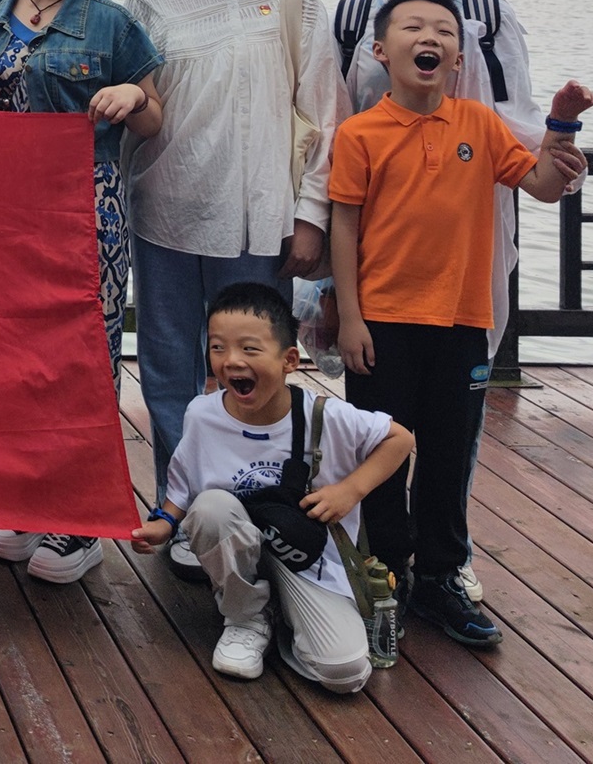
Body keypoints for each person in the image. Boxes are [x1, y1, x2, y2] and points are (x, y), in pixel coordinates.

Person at [329, 0, 593, 647]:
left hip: (462, 322)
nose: (429, 37)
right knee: (380, 451)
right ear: (379, 50)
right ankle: (385, 572)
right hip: (382, 322)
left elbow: (542, 184)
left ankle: (439, 576)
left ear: (457, 58)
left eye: (444, 31)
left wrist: (561, 124)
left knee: (448, 454)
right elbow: (344, 226)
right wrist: (350, 318)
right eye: (412, 27)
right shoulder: (359, 133)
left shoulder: (480, 123)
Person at [330, 0, 550, 607]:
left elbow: (522, 123)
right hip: (382, 266)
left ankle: (444, 565)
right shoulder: (351, 17)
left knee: (454, 426)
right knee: (378, 429)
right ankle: (384, 563)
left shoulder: (485, 13)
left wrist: (558, 140)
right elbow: (331, 135)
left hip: (468, 237)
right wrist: (341, 299)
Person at [124, 0, 340, 579]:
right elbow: (134, 103)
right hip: (163, 214)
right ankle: (180, 511)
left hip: (256, 220)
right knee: (167, 369)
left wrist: (310, 216)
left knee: (250, 371)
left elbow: (324, 116)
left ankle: (248, 510)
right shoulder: (149, 0)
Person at [0, 0, 164, 585]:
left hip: (83, 210)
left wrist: (131, 95)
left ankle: (78, 520)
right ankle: (24, 500)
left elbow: (152, 117)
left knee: (81, 359)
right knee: (10, 358)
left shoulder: (111, 23)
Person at [131, 283, 413, 692]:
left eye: (249, 349)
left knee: (345, 672)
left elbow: (400, 439)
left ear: (289, 361)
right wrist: (164, 523)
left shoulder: (326, 416)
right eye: (218, 348)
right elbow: (184, 483)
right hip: (238, 545)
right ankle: (246, 618)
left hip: (307, 557)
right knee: (211, 508)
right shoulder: (202, 415)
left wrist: (350, 490)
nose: (231, 360)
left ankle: (284, 615)